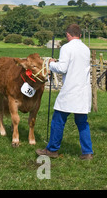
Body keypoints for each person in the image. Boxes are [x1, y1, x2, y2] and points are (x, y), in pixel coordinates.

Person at [36, 24, 93, 160]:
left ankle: (52, 149)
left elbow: (62, 68)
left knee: (58, 120)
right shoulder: (86, 49)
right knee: (82, 123)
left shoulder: (66, 48)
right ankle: (87, 152)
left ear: (68, 34)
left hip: (70, 90)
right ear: (79, 35)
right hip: (83, 91)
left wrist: (50, 63)